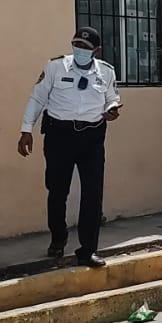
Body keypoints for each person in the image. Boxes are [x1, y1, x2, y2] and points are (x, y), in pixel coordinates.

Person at [18, 26, 121, 266]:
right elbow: (37, 98)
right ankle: (58, 237)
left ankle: (88, 249)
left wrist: (112, 109)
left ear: (97, 50)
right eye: (77, 45)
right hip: (59, 135)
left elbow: (112, 98)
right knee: (57, 190)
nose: (80, 50)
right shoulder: (55, 67)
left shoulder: (106, 72)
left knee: (92, 194)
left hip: (92, 137)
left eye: (85, 48)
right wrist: (26, 130)